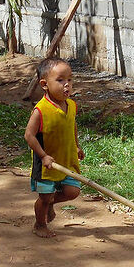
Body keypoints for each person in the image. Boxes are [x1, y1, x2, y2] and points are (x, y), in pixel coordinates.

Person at [24, 58, 85, 238]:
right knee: (44, 198)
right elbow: (29, 135)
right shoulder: (41, 110)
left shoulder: (71, 105)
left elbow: (72, 125)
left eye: (70, 80)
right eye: (60, 80)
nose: (67, 85)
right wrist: (43, 156)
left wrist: (76, 145)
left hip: (66, 159)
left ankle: (51, 202)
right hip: (46, 165)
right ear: (44, 84)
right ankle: (40, 224)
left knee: (73, 191)